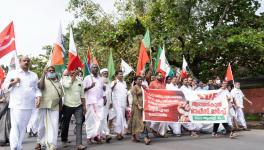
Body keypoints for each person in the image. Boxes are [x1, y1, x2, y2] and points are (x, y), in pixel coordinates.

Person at [3, 55, 41, 150]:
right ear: (20, 62)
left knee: (23, 128)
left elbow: (36, 89)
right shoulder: (13, 73)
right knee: (15, 127)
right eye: (24, 60)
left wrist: (39, 97)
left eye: (28, 60)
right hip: (16, 105)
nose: (26, 62)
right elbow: (4, 87)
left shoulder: (33, 75)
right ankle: (14, 147)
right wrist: (13, 82)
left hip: (29, 105)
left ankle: (18, 146)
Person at [34, 66, 63, 150]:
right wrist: (43, 74)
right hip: (44, 106)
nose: (51, 72)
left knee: (54, 125)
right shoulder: (42, 80)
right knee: (42, 126)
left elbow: (60, 95)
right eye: (49, 70)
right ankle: (39, 142)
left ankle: (52, 145)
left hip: (55, 106)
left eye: (53, 70)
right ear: (46, 72)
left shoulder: (57, 81)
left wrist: (60, 105)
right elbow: (41, 87)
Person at [61, 69, 87, 150]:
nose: (73, 72)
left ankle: (79, 144)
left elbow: (82, 95)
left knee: (79, 123)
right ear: (69, 72)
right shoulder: (64, 79)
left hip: (78, 106)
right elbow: (68, 86)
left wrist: (84, 106)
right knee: (65, 124)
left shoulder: (80, 81)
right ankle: (64, 140)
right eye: (72, 70)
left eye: (75, 70)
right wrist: (73, 77)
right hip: (67, 105)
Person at [83, 64, 105, 143]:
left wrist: (104, 98)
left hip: (99, 102)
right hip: (90, 102)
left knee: (100, 119)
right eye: (94, 67)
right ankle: (89, 136)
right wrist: (90, 87)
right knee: (90, 120)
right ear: (91, 69)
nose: (95, 69)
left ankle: (96, 135)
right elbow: (82, 90)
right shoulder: (87, 78)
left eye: (96, 67)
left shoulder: (100, 79)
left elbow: (102, 90)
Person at [128, 76, 151, 145]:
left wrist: (145, 88)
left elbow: (148, 93)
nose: (141, 80)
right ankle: (145, 138)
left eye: (141, 79)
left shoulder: (143, 87)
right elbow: (134, 98)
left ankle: (134, 135)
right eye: (139, 79)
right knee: (140, 122)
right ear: (135, 81)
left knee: (142, 121)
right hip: (136, 107)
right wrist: (138, 105)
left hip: (143, 106)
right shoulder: (134, 88)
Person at [149, 72, 167, 137]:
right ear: (156, 76)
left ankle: (161, 133)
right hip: (155, 102)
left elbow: (166, 93)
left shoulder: (163, 84)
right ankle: (153, 127)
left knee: (164, 117)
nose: (160, 76)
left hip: (162, 102)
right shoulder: (152, 83)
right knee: (157, 117)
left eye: (161, 76)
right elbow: (149, 93)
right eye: (159, 75)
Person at [111, 70, 128, 140]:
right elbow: (109, 90)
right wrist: (113, 85)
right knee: (118, 117)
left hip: (123, 103)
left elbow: (126, 93)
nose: (121, 75)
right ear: (116, 75)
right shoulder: (114, 82)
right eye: (120, 74)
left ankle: (121, 132)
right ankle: (118, 133)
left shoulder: (124, 82)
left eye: (122, 74)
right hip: (116, 103)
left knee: (122, 118)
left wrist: (127, 102)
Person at [100, 68, 112, 143]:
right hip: (101, 102)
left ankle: (104, 133)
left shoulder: (109, 81)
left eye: (107, 73)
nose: (106, 74)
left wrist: (110, 102)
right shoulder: (100, 81)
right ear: (101, 74)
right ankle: (105, 134)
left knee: (105, 118)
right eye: (104, 73)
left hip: (108, 102)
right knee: (103, 118)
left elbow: (110, 93)